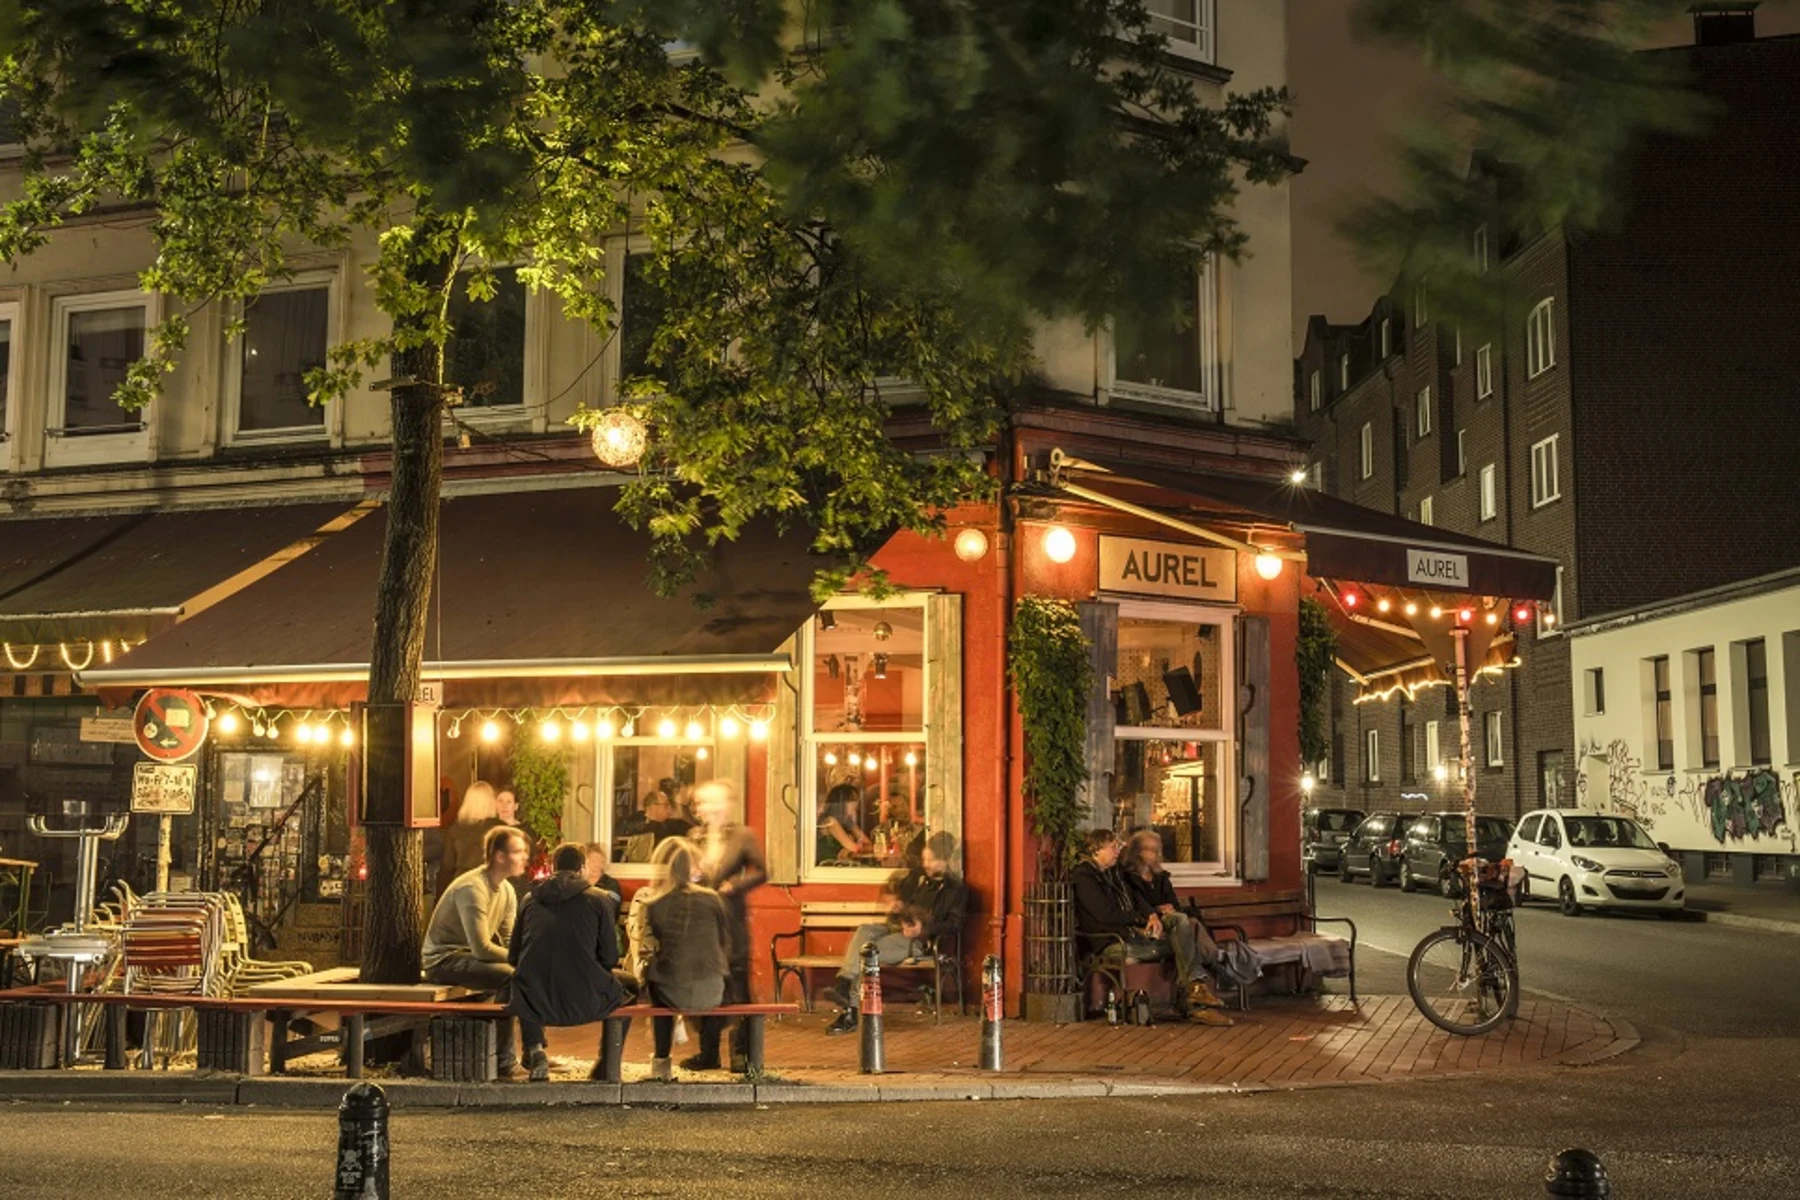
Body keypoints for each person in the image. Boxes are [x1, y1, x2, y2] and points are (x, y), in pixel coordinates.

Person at [1071, 827, 1230, 1026]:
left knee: (1179, 920)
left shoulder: (1114, 872)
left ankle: (1195, 993)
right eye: (1113, 847)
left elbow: (1136, 898)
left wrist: (1151, 915)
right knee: (1185, 946)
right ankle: (1195, 1003)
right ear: (1097, 849)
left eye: (1118, 846)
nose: (1117, 851)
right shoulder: (1084, 876)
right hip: (1111, 941)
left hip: (1132, 934)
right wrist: (1140, 919)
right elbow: (1105, 914)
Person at [507, 842, 628, 1081]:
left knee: (523, 979)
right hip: (585, 997)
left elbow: (514, 955)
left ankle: (535, 1050)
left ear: (553, 867)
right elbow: (609, 957)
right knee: (631, 986)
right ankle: (606, 1062)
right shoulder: (599, 900)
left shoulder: (530, 900)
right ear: (582, 868)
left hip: (537, 1000)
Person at [825, 832, 967, 1036]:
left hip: (919, 940)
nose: (926, 864)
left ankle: (851, 1011)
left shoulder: (956, 889)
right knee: (865, 930)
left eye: (931, 860)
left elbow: (955, 924)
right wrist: (896, 905)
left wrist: (924, 929)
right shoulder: (918, 878)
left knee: (868, 953)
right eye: (924, 858)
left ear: (945, 860)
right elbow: (898, 895)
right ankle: (845, 981)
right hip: (897, 927)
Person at [423, 825, 531, 1076]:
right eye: (518, 851)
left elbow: (507, 941)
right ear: (499, 856)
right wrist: (522, 960)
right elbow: (482, 948)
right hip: (444, 960)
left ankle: (533, 1052)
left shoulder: (506, 890)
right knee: (512, 977)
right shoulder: (472, 888)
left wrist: (526, 958)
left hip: (468, 957)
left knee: (525, 974)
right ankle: (505, 1060)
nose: (525, 857)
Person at [639, 836, 732, 1082]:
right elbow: (724, 941)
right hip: (713, 990)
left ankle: (661, 1062)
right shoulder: (712, 899)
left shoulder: (654, 903)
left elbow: (649, 948)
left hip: (673, 992)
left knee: (654, 978)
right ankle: (709, 1051)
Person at [691, 779, 767, 1072]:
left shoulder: (742, 836)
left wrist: (735, 884)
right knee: (704, 982)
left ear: (725, 805)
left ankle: (741, 1052)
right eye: (701, 803)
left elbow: (762, 870)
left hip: (731, 918)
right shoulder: (694, 836)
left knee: (737, 982)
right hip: (702, 922)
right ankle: (708, 1051)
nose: (705, 808)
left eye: (711, 802)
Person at [1120, 828, 1230, 1014]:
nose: (1154, 854)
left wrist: (1170, 909)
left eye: (1157, 850)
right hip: (1149, 928)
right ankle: (1208, 971)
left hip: (1173, 925)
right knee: (1190, 931)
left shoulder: (1161, 878)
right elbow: (1136, 906)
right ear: (1137, 851)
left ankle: (1194, 991)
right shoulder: (1129, 878)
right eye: (1149, 849)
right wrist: (1157, 910)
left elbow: (1175, 906)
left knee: (1189, 925)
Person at [437, 781, 502, 896]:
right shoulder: (498, 828)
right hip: (489, 885)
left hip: (461, 884)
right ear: (490, 802)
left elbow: (447, 866)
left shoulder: (456, 828)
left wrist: (440, 898)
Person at [817, 781, 868, 863]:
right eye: (852, 800)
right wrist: (852, 847)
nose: (856, 804)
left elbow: (868, 844)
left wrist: (848, 849)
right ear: (841, 802)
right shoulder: (830, 822)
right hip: (827, 867)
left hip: (841, 866)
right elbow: (854, 848)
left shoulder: (847, 822)